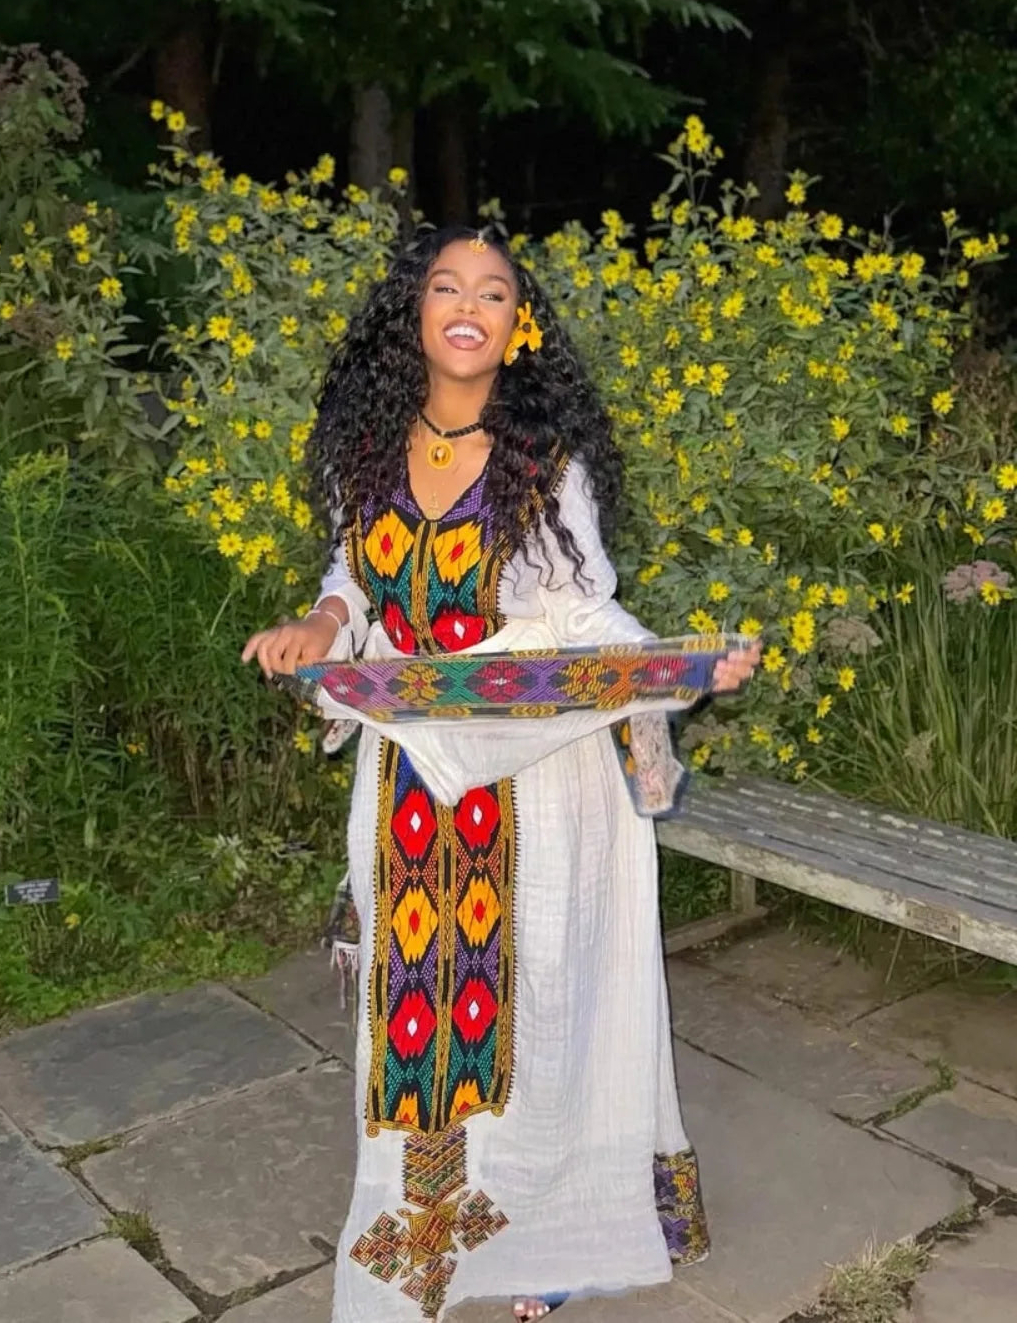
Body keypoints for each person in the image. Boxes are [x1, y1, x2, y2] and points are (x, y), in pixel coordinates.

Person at [242, 226, 758, 1323]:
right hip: (414, 782)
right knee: (418, 1007)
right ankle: (434, 1237)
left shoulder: (544, 466)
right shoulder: (367, 456)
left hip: (539, 781)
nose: (468, 305)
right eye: (445, 287)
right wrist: (322, 620)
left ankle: (551, 1241)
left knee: (546, 997)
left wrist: (674, 672)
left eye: (494, 293)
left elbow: (581, 612)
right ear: (413, 318)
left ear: (519, 332)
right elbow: (352, 579)